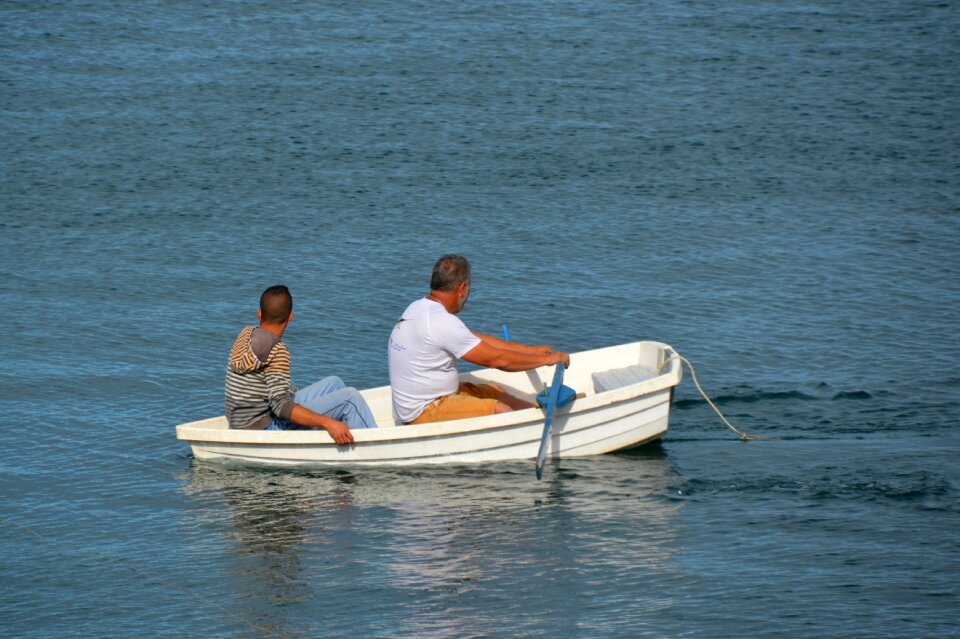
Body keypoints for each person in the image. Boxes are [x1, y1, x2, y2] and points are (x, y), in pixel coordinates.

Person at [388, 254, 570, 425]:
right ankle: (537, 430)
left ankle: (543, 418)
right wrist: (547, 360)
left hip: (433, 398)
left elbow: (477, 339)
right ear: (461, 289)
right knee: (499, 409)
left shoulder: (419, 308)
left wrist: (532, 351)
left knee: (499, 394)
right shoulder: (441, 321)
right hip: (423, 411)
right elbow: (496, 359)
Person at [224, 284, 377, 443]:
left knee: (334, 382)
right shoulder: (277, 351)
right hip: (264, 428)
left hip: (240, 423)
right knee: (350, 398)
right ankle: (375, 447)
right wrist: (329, 423)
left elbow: (265, 389)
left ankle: (344, 436)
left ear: (259, 313)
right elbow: (280, 406)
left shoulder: (245, 334)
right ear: (290, 317)